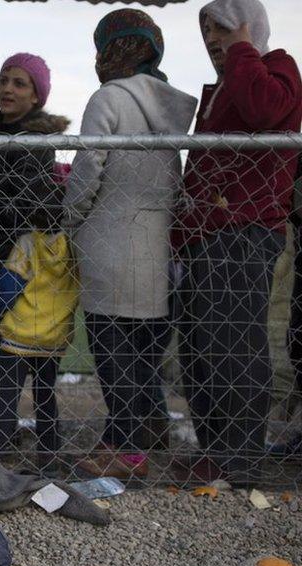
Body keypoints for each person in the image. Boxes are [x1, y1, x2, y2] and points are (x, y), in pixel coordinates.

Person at [63, 9, 198, 481]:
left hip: (108, 240)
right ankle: (146, 429)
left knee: (112, 349)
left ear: (109, 49)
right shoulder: (168, 111)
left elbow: (88, 167)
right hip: (155, 245)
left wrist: (70, 221)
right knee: (143, 351)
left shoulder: (109, 98)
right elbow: (175, 184)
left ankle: (125, 449)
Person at [173, 0, 302, 485]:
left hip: (246, 232)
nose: (213, 39)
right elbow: (203, 169)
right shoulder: (227, 84)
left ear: (250, 28)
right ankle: (216, 451)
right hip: (209, 233)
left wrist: (244, 46)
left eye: (222, 27)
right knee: (201, 347)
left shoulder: (275, 67)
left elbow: (265, 110)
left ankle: (240, 457)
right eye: (207, 30)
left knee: (234, 345)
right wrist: (183, 231)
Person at [0, 53, 68, 425]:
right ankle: (2, 423)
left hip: (12, 263)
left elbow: (23, 200)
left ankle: (2, 430)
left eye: (19, 83)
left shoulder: (36, 141)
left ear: (37, 96)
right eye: (5, 80)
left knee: (4, 352)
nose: (7, 89)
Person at [0, 216, 78, 476]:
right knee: (46, 397)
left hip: (19, 335)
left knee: (6, 395)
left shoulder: (28, 242)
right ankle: (49, 456)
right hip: (53, 336)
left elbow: (8, 286)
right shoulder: (72, 244)